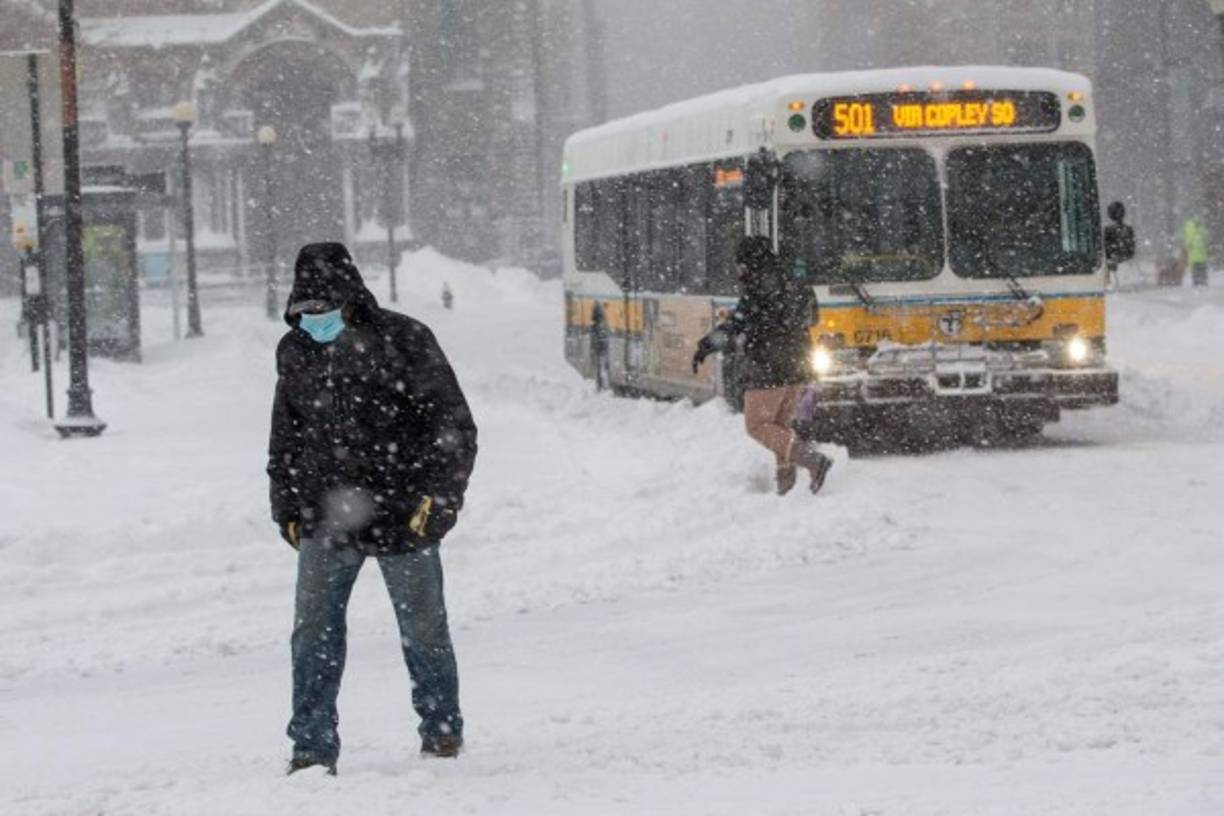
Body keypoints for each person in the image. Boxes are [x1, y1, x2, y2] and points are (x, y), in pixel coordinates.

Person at [267, 242, 478, 775]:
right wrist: (286, 505)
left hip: (403, 513)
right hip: (324, 518)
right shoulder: (294, 353)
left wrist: (440, 501)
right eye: (306, 312)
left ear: (348, 296)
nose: (315, 320)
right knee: (313, 634)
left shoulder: (405, 340)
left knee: (424, 629)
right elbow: (285, 438)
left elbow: (452, 426)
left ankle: (442, 731)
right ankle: (312, 747)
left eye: (324, 309)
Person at [692, 236, 832, 495]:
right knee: (780, 427)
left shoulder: (760, 286)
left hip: (769, 367)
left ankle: (812, 460)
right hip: (798, 365)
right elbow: (813, 317)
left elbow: (736, 325)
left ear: (751, 262)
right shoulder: (795, 281)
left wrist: (706, 345)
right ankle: (786, 487)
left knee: (757, 426)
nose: (739, 271)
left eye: (741, 264)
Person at [1182, 215, 1210, 288]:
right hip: (1200, 254)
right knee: (1200, 268)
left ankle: (1197, 281)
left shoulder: (1189, 228)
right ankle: (1202, 281)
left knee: (1196, 269)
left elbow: (1187, 241)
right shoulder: (1199, 229)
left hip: (1195, 254)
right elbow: (1205, 239)